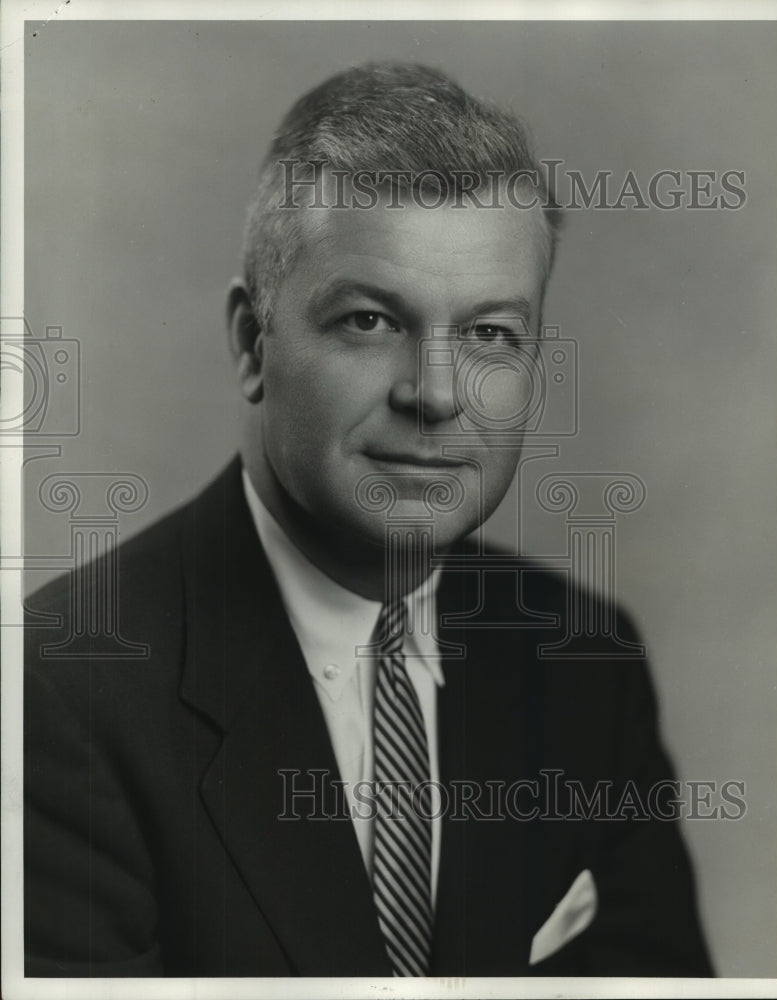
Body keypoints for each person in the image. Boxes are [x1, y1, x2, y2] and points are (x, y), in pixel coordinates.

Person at [24, 62, 713, 978]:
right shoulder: (61, 695)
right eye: (369, 321)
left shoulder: (585, 662)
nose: (434, 394)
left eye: (489, 334)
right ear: (251, 344)